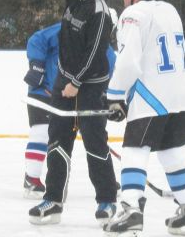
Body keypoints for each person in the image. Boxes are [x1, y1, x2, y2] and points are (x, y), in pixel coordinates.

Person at [28, 0, 118, 225]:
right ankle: (53, 200)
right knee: (58, 142)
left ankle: (107, 199)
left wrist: (74, 83)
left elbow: (95, 52)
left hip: (89, 88)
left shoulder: (100, 12)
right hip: (62, 84)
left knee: (95, 144)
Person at [101, 0, 185, 237]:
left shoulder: (133, 15)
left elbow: (128, 60)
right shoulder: (170, 10)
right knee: (172, 151)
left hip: (152, 98)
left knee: (135, 149)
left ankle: (131, 211)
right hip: (180, 97)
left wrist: (115, 95)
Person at [22, 19, 117, 199]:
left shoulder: (109, 55)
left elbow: (105, 81)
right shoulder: (67, 29)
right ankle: (31, 178)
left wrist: (99, 98)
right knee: (42, 131)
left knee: (92, 139)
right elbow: (36, 40)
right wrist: (37, 67)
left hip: (71, 100)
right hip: (43, 91)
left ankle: (106, 182)